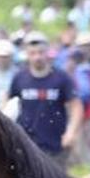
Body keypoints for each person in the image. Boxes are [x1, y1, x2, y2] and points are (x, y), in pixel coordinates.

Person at [7, 31, 83, 166]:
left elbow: (76, 105)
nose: (37, 57)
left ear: (47, 52)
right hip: (26, 144)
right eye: (33, 53)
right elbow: (7, 103)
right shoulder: (20, 78)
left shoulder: (61, 77)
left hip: (56, 143)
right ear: (27, 54)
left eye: (41, 52)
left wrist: (71, 132)